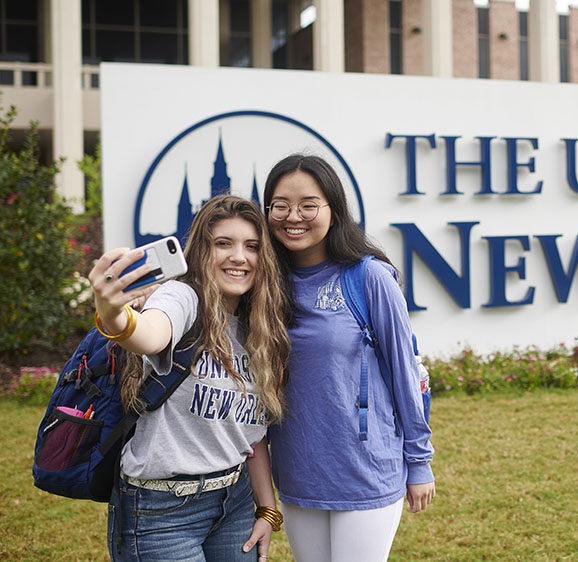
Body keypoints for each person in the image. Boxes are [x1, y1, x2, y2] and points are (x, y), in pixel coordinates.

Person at [88, 195, 291, 562]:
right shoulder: (182, 297)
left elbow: (251, 434)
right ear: (200, 251)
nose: (239, 257)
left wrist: (266, 508)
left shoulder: (258, 328)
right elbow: (150, 333)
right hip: (162, 510)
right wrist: (112, 313)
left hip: (235, 501)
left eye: (252, 246)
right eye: (223, 244)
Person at [263, 154, 435, 562]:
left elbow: (404, 372)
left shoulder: (369, 277)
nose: (293, 216)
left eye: (308, 205)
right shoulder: (266, 283)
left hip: (365, 470)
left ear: (333, 209)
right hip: (297, 470)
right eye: (280, 204)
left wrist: (420, 461)